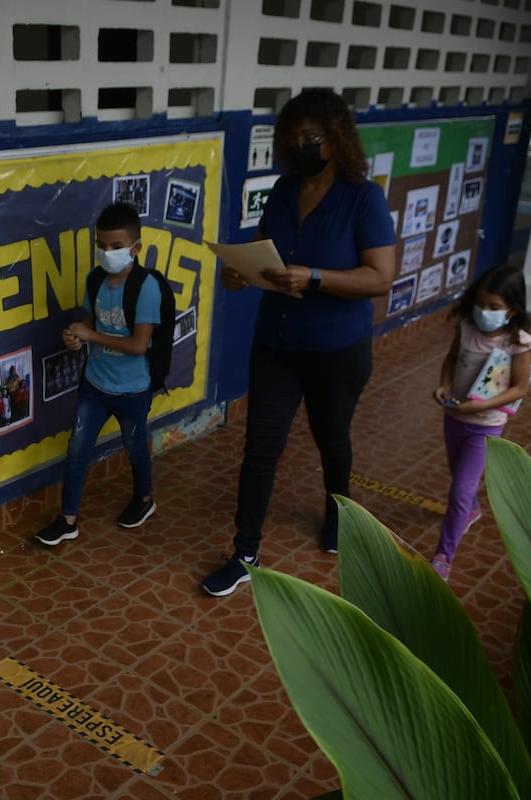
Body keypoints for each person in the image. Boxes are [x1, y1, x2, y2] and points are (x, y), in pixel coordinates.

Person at [200, 88, 397, 597]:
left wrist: (313, 277)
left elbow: (380, 278)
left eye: (312, 136)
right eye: (294, 137)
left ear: (337, 138)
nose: (301, 145)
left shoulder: (363, 197)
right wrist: (239, 276)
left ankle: (338, 510)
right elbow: (267, 253)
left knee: (331, 438)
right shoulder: (284, 191)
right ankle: (244, 553)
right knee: (261, 447)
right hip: (276, 343)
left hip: (337, 348)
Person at [33, 202, 160, 546]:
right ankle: (68, 520)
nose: (108, 253)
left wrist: (92, 336)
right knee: (76, 449)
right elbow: (92, 321)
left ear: (135, 248)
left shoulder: (146, 288)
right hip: (95, 384)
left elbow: (139, 345)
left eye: (116, 247)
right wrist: (76, 335)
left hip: (133, 390)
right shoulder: (95, 280)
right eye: (101, 245)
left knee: (135, 448)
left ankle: (144, 499)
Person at [430, 266, 531, 581]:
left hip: (486, 424)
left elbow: (520, 386)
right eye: (481, 303)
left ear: (512, 310)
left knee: (460, 489)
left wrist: (482, 406)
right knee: (457, 473)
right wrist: (444, 385)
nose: (484, 311)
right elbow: (450, 360)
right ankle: (472, 507)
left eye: (493, 307)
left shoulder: (518, 342)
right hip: (454, 416)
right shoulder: (466, 327)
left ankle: (444, 556)